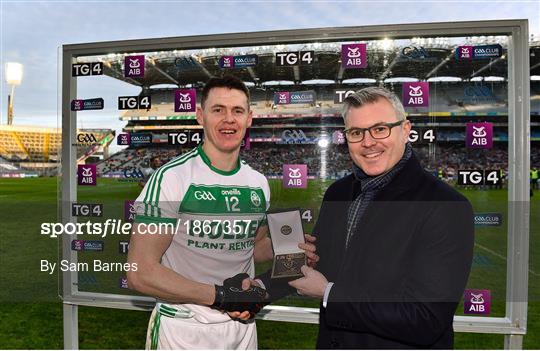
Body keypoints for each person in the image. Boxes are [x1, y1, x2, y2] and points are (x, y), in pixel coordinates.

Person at [252, 86, 474, 349]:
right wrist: (255, 290)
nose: (368, 142)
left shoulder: (446, 205)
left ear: (405, 130)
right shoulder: (339, 192)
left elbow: (426, 319)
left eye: (380, 129)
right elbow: (317, 268)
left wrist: (329, 295)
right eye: (356, 133)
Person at [126, 76, 318, 349]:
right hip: (184, 328)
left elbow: (252, 247)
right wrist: (220, 296)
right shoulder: (171, 178)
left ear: (249, 118)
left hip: (241, 327)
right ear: (200, 116)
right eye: (218, 110)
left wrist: (289, 248)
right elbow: (140, 273)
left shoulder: (258, 182)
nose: (229, 119)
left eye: (237, 111)